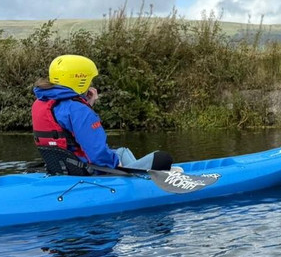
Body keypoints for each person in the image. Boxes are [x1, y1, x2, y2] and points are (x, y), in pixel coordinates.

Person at [32, 54, 175, 174]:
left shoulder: (41, 102)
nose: (91, 85)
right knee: (163, 158)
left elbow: (68, 124)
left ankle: (136, 176)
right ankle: (137, 179)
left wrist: (86, 104)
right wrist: (116, 164)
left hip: (63, 166)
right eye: (89, 80)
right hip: (88, 171)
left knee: (122, 152)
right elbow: (97, 154)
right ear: (80, 80)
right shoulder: (79, 110)